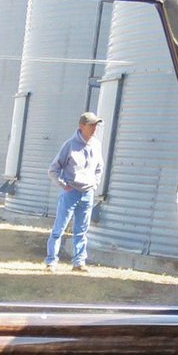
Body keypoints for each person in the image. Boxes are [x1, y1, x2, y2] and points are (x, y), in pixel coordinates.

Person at [44, 112, 105, 272]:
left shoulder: (97, 145)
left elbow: (99, 167)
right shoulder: (69, 145)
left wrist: (95, 184)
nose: (94, 128)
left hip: (87, 193)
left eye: (96, 125)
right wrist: (63, 185)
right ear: (81, 126)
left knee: (81, 231)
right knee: (59, 229)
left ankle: (79, 262)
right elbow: (53, 169)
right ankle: (51, 261)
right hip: (70, 192)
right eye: (91, 125)